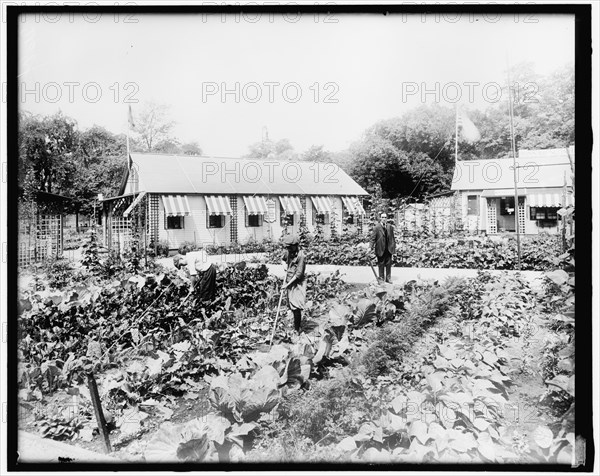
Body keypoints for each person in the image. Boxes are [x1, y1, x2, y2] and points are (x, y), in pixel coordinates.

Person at [281, 234, 307, 334]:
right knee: (291, 305)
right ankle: (296, 324)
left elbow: (298, 274)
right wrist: (284, 266)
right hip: (288, 281)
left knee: (296, 306)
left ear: (296, 245)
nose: (288, 249)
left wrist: (287, 285)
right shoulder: (288, 251)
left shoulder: (301, 256)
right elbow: (282, 259)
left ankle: (297, 329)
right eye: (287, 247)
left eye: (290, 247)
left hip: (297, 283)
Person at [370, 212, 396, 283]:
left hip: (388, 249)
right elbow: (372, 238)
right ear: (380, 218)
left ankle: (388, 278)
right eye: (382, 217)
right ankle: (381, 278)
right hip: (380, 249)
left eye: (385, 217)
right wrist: (370, 247)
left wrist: (393, 248)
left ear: (387, 218)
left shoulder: (390, 227)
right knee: (381, 264)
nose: (384, 219)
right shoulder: (376, 227)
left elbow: (392, 238)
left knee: (388, 264)